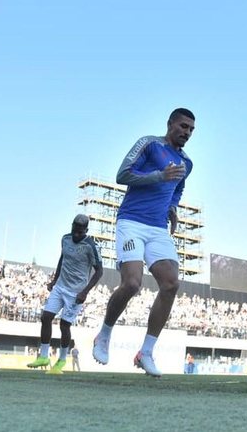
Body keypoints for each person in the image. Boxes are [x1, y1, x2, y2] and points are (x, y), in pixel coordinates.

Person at [92, 108, 195, 377]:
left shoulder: (187, 163)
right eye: (183, 126)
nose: (186, 132)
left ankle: (146, 352)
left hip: (158, 228)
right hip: (132, 222)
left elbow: (178, 188)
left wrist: (172, 208)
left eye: (191, 129)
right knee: (132, 283)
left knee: (171, 284)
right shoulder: (150, 144)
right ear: (170, 124)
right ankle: (104, 334)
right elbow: (122, 175)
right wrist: (159, 176)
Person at [27, 215, 103, 374]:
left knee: (64, 325)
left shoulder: (90, 246)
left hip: (76, 292)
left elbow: (99, 271)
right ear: (72, 227)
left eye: (80, 232)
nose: (76, 234)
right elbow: (62, 259)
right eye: (74, 230)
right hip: (60, 287)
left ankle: (61, 359)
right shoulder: (65, 239)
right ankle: (43, 356)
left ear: (86, 231)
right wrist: (54, 281)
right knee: (46, 317)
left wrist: (85, 291)